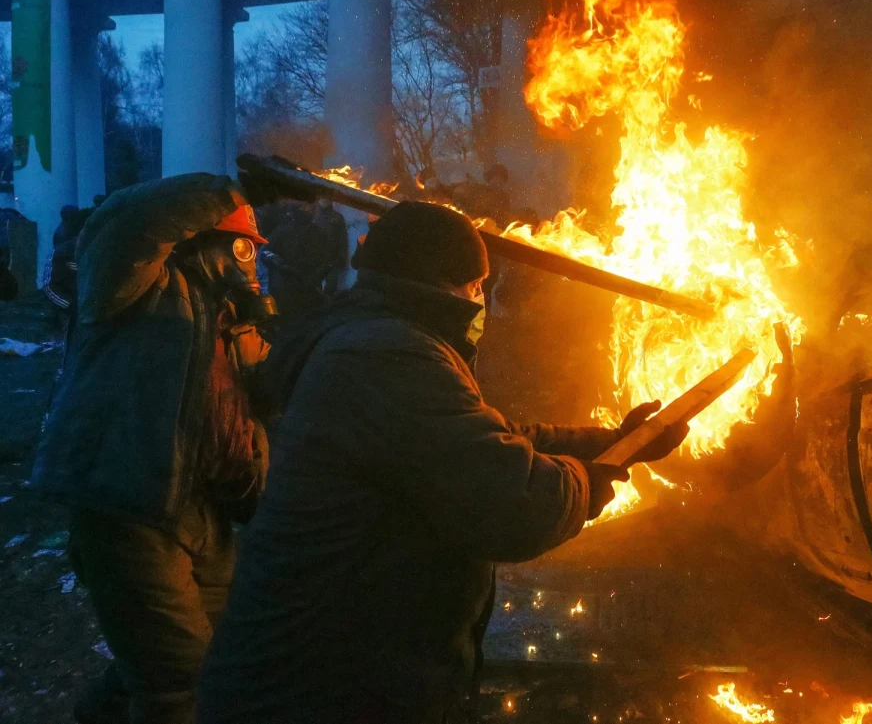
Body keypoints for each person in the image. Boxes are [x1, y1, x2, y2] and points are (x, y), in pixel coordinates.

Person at [197, 201, 687, 724]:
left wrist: (611, 440)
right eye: (477, 287)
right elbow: (511, 504)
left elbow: (490, 438)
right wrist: (588, 480)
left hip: (337, 674)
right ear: (444, 285)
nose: (482, 302)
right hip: (320, 689)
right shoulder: (386, 355)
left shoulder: (375, 336)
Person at [33, 171, 305, 724]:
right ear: (200, 242)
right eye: (240, 248)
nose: (249, 264)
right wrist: (232, 192)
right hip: (130, 503)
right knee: (180, 679)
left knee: (197, 659)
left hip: (205, 512)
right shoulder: (134, 289)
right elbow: (129, 223)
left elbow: (266, 395)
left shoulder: (232, 322)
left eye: (253, 252)